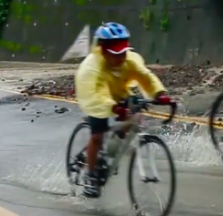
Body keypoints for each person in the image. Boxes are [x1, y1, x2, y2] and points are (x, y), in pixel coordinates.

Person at [74, 22, 173, 198]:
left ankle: (113, 147)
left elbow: (146, 76)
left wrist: (160, 94)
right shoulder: (92, 68)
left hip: (118, 91)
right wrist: (113, 107)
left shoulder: (129, 60)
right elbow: (97, 94)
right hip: (95, 95)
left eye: (123, 52)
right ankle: (90, 176)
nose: (121, 58)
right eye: (115, 53)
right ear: (103, 50)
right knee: (97, 135)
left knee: (133, 116)